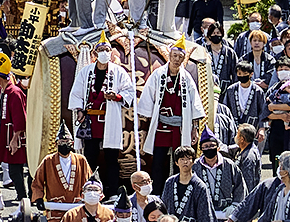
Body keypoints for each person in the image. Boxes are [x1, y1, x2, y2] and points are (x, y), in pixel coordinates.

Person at [69, 34, 135, 197]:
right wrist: (79, 110)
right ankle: (89, 190)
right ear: (95, 53)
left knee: (111, 158)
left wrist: (117, 97)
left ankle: (112, 191)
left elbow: (129, 91)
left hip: (109, 120)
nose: (103, 53)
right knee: (90, 157)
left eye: (106, 50)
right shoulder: (86, 71)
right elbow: (76, 93)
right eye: (100, 50)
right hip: (91, 120)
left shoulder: (118, 71)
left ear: (111, 52)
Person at [139, 36, 207, 186]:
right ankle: (157, 190)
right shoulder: (158, 74)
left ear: (184, 59)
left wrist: (194, 128)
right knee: (159, 159)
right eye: (174, 55)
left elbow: (194, 103)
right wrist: (144, 124)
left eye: (180, 57)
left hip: (180, 127)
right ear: (169, 56)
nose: (177, 59)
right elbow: (148, 97)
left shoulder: (186, 78)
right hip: (162, 125)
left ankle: (178, 188)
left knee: (180, 159)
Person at [194, 128, 244, 222]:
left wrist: (234, 206)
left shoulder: (229, 165)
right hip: (202, 215)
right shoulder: (196, 167)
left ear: (217, 146)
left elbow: (240, 188)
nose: (209, 149)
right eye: (205, 147)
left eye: (211, 146)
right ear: (201, 149)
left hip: (223, 213)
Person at [31, 123, 93, 222]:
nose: (64, 145)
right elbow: (37, 182)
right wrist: (39, 198)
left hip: (76, 206)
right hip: (55, 207)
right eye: (61, 143)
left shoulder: (81, 160)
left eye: (67, 142)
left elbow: (91, 182)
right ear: (56, 144)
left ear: (72, 144)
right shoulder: (48, 161)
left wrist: (92, 197)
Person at [0, 53, 28, 209]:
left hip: (11, 138)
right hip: (1, 138)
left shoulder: (15, 92)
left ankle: (24, 201)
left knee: (16, 171)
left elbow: (20, 118)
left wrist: (16, 138)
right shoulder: (3, 92)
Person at [160, 145, 217, 222]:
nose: (185, 162)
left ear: (194, 161)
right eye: (181, 159)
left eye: (189, 159)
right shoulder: (170, 182)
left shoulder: (199, 185)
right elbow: (164, 207)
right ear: (176, 162)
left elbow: (204, 214)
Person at [264, 59, 290, 172]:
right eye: (280, 69)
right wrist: (280, 115)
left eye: (286, 69)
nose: (283, 71)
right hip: (275, 128)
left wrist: (274, 107)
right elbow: (266, 112)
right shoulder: (274, 88)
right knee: (276, 159)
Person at [205, 23, 237, 91]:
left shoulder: (230, 52)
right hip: (207, 88)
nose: (216, 35)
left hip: (226, 89)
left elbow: (235, 72)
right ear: (209, 35)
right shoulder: (204, 51)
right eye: (213, 33)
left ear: (222, 34)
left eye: (218, 33)